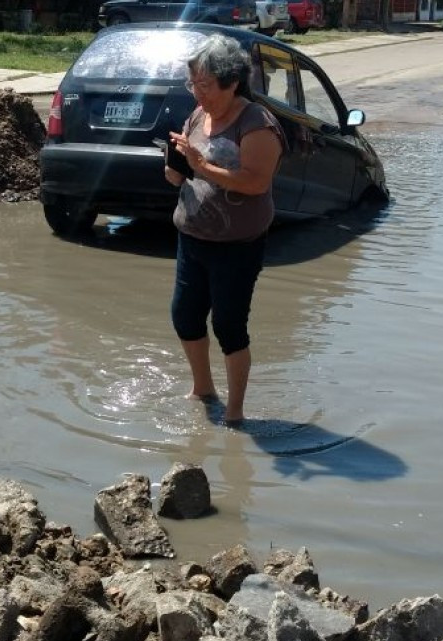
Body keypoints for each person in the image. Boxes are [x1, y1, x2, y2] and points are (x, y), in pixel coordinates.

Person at [164, 34, 284, 425]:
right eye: (193, 84)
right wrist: (176, 164)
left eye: (205, 85)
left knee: (229, 327)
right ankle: (203, 389)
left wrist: (201, 165)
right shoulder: (198, 115)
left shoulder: (257, 124)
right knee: (185, 317)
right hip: (192, 236)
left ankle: (235, 413)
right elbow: (180, 174)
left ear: (232, 82)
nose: (198, 93)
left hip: (237, 245)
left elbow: (255, 183)